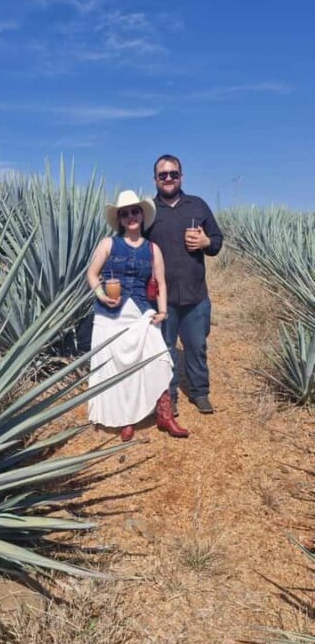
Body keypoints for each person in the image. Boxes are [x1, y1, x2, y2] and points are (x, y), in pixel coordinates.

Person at [86, 189, 189, 441]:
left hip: (142, 312)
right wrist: (101, 295)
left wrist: (163, 311)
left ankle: (165, 415)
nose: (131, 216)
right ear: (120, 220)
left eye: (135, 211)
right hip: (111, 315)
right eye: (125, 214)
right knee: (118, 368)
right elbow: (91, 273)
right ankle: (126, 420)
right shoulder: (108, 243)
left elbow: (162, 284)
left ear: (142, 215)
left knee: (158, 358)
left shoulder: (153, 249)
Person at [146, 154, 223, 416]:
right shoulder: (148, 211)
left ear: (181, 176)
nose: (168, 178)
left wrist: (205, 244)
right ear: (155, 179)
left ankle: (200, 392)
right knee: (164, 350)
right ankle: (170, 397)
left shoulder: (197, 205)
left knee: (197, 347)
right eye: (163, 175)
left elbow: (217, 240)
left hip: (195, 294)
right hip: (161, 298)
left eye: (173, 174)